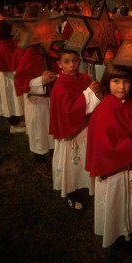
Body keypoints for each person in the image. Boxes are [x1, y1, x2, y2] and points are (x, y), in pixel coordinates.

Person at [85, 63, 132, 248]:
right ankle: (119, 232)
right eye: (116, 81)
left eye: (126, 81)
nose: (121, 87)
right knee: (119, 202)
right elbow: (107, 148)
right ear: (107, 83)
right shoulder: (103, 111)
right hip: (115, 172)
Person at [49, 48, 101, 211]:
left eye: (75, 60)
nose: (72, 65)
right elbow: (68, 111)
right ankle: (71, 192)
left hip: (85, 128)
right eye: (67, 61)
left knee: (85, 161)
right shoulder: (60, 86)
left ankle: (87, 185)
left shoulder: (84, 78)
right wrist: (88, 94)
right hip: (70, 133)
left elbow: (95, 100)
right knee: (71, 166)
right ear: (59, 64)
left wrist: (96, 92)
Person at [14, 43, 58, 177]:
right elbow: (21, 81)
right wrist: (40, 80)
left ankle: (53, 158)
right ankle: (40, 162)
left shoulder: (52, 51)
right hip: (37, 103)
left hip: (51, 100)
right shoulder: (29, 55)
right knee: (39, 132)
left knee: (51, 131)